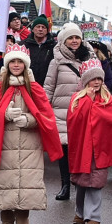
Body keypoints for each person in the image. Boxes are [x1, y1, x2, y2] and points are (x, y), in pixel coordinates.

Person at [0, 43, 62, 224]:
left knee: (26, 182)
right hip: (4, 143)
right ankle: (6, 220)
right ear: (7, 64)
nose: (16, 65)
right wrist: (5, 114)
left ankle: (23, 219)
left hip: (29, 144)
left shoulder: (34, 89)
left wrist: (29, 120)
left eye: (20, 61)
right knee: (4, 182)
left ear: (25, 65)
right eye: (13, 61)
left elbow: (46, 116)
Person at [66, 58, 112, 224]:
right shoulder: (77, 98)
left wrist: (94, 109)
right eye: (93, 79)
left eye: (99, 78)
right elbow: (74, 120)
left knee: (96, 182)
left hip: (100, 147)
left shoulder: (107, 98)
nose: (97, 82)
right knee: (82, 182)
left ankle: (93, 218)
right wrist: (88, 102)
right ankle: (80, 213)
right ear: (86, 81)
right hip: (83, 147)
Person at [43, 22, 93, 202]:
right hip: (61, 111)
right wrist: (45, 109)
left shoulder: (90, 58)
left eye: (77, 37)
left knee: (81, 149)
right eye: (70, 38)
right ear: (64, 40)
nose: (74, 41)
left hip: (84, 110)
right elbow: (49, 87)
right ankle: (65, 184)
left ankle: (79, 182)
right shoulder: (56, 61)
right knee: (64, 150)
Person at [23, 15, 55, 85]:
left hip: (46, 84)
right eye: (38, 27)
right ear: (32, 29)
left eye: (43, 27)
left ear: (47, 30)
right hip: (27, 83)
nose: (40, 29)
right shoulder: (23, 45)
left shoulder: (54, 47)